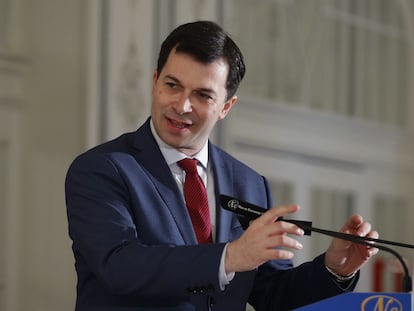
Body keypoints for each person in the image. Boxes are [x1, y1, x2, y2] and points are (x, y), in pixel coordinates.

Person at [65, 20, 379, 311]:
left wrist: (334, 268)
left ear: (226, 107)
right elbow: (120, 266)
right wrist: (230, 257)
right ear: (154, 82)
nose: (182, 105)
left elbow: (274, 294)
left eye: (202, 95)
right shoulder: (100, 169)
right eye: (172, 85)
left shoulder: (249, 183)